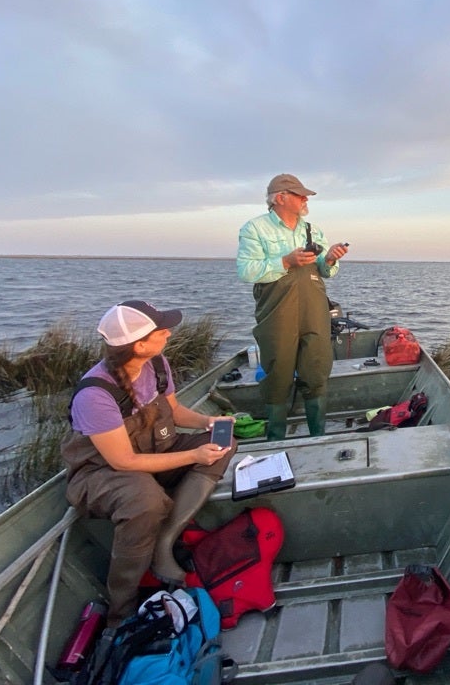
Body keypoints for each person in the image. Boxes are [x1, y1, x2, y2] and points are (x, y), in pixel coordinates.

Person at [61, 300, 236, 627]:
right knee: (146, 501)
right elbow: (123, 460)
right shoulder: (95, 394)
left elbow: (175, 411)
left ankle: (164, 542)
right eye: (161, 330)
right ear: (139, 344)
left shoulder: (157, 364)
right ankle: (120, 613)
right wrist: (194, 457)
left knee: (223, 444)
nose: (168, 332)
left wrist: (207, 422)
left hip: (155, 452)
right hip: (102, 473)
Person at [237, 174, 349, 440]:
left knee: (317, 369)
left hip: (314, 311)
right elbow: (246, 271)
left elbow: (323, 270)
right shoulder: (254, 229)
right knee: (277, 375)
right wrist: (285, 261)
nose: (305, 199)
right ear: (280, 198)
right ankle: (275, 440)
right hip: (277, 313)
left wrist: (331, 259)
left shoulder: (312, 229)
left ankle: (317, 437)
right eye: (300, 195)